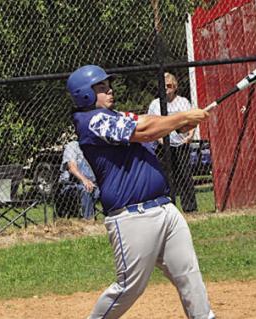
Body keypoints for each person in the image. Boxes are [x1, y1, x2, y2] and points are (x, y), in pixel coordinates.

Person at [66, 65, 215, 319]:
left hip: (165, 209)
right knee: (129, 287)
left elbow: (146, 120)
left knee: (189, 275)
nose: (109, 90)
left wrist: (180, 119)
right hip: (133, 216)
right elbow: (143, 132)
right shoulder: (91, 121)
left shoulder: (112, 116)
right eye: (101, 87)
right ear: (85, 95)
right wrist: (182, 118)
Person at [147, 72, 198, 213]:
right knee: (166, 176)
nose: (166, 88)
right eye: (163, 86)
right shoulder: (155, 104)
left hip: (181, 144)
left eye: (169, 85)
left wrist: (190, 136)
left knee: (185, 175)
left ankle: (190, 208)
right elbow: (152, 124)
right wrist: (160, 139)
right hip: (162, 145)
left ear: (175, 87)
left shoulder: (183, 102)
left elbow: (192, 120)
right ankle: (168, 207)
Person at [58, 140, 100, 219]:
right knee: (87, 189)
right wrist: (84, 180)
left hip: (94, 183)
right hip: (72, 184)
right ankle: (88, 221)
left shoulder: (93, 147)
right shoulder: (72, 146)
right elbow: (72, 168)